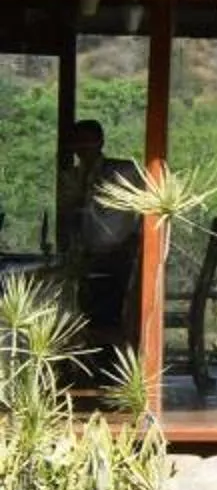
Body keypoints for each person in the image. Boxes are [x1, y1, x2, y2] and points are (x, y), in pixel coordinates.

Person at [58, 121, 142, 346]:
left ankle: (107, 357)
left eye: (88, 141)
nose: (83, 147)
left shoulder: (122, 172)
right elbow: (70, 213)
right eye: (78, 142)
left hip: (119, 256)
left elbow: (141, 213)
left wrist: (133, 244)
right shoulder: (74, 177)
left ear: (101, 142)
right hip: (89, 258)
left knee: (105, 311)